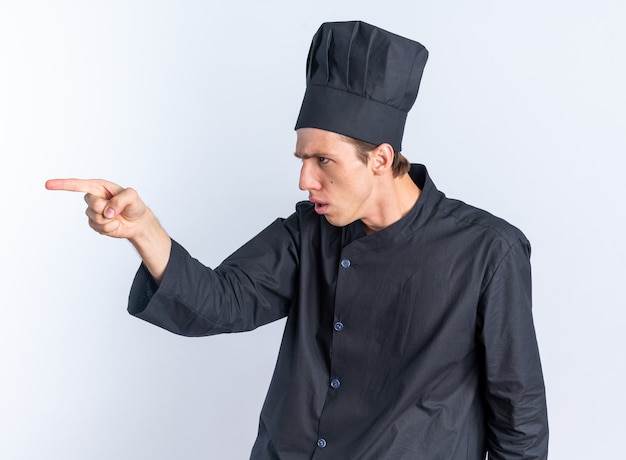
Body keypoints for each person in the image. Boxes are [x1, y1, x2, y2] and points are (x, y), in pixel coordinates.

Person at [47, 20, 549, 459]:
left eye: (322, 161)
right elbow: (222, 302)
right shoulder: (309, 230)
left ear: (379, 158)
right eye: (302, 160)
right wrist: (144, 231)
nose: (305, 180)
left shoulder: (488, 251)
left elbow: (519, 421)